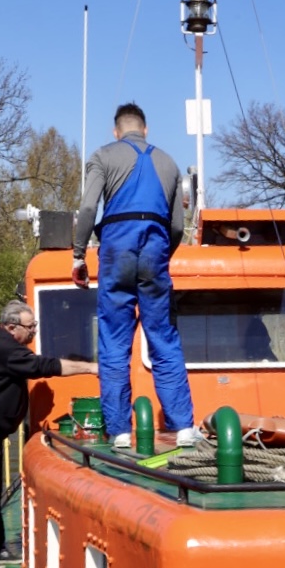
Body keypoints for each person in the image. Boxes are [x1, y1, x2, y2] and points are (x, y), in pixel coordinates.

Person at [72, 102, 200, 449]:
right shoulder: (170, 163)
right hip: (156, 246)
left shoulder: (103, 156)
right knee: (163, 336)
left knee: (115, 340)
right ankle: (184, 428)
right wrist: (160, 256)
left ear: (117, 131)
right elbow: (177, 226)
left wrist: (79, 254)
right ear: (145, 129)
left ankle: (120, 432)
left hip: (116, 248)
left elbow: (87, 208)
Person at [0, 301, 98, 568]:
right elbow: (44, 366)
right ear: (12, 327)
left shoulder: (2, 346)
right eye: (30, 327)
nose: (33, 332)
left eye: (34, 326)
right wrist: (90, 368)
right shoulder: (4, 349)